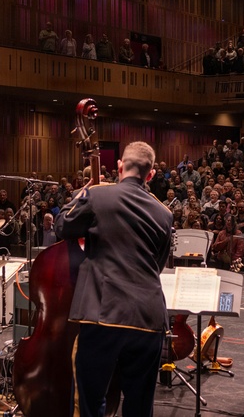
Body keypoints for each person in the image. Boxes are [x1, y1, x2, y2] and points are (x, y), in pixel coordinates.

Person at [54, 141, 172, 417]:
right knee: (140, 406)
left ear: (119, 166)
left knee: (91, 402)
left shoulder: (97, 196)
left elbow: (63, 226)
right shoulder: (164, 214)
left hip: (103, 312)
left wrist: (86, 191)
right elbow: (157, 264)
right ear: (151, 175)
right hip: (149, 317)